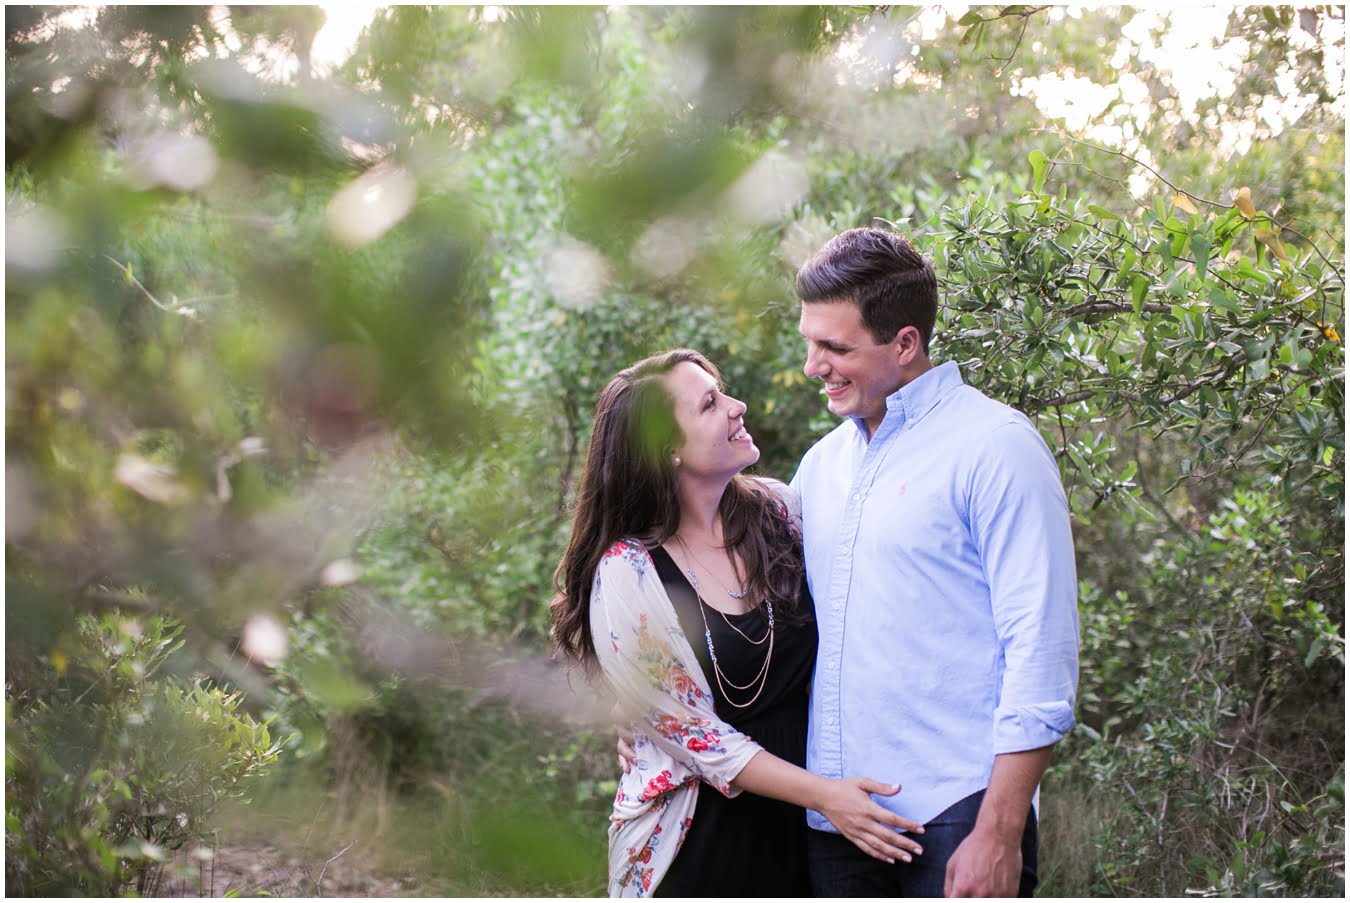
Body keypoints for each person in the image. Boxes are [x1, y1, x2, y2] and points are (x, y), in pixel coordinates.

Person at [551, 348, 925, 898]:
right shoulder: (629, 574)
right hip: (701, 842)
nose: (736, 405)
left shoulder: (780, 512)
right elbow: (698, 738)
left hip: (809, 832)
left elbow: (862, 612)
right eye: (709, 404)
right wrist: (825, 795)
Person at [790, 227, 1080, 897]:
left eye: (835, 347)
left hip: (956, 814)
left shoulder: (995, 446)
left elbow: (1041, 648)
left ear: (905, 343)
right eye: (809, 342)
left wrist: (999, 830)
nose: (814, 366)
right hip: (837, 824)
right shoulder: (820, 467)